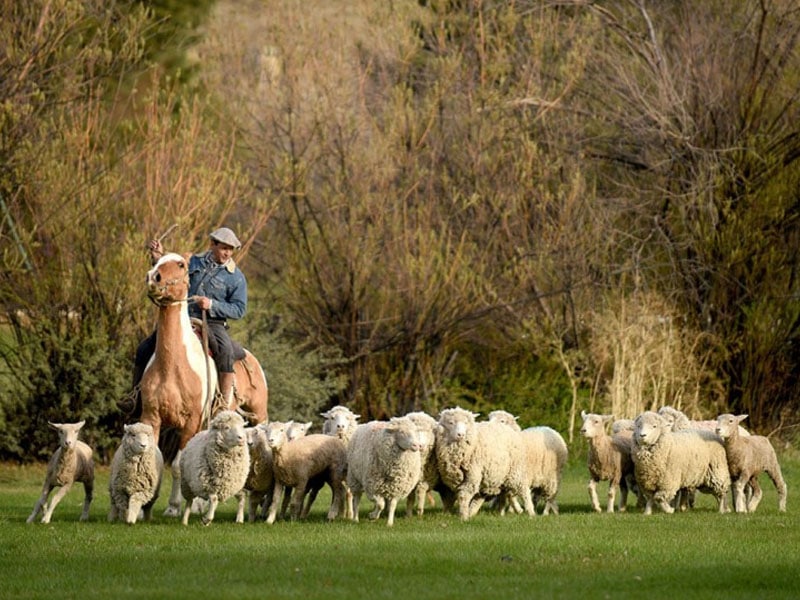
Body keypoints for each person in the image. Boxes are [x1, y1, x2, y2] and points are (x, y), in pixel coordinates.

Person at [123, 227, 248, 416]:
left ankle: (222, 404)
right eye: (224, 248)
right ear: (212, 244)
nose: (227, 253)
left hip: (213, 323)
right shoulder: (192, 262)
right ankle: (135, 397)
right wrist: (158, 258)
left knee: (226, 352)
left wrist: (212, 304)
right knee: (144, 348)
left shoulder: (236, 278)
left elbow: (239, 309)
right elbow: (171, 275)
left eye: (231, 250)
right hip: (182, 317)